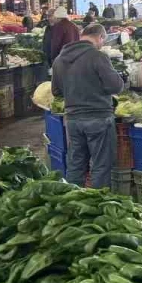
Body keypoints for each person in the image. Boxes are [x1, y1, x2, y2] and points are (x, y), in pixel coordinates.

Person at [51, 23, 124, 189]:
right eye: (102, 41)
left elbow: (56, 91)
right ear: (100, 37)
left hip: (73, 120)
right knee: (101, 165)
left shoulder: (59, 60)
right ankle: (98, 205)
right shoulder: (98, 56)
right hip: (98, 118)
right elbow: (116, 86)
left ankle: (72, 202)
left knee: (76, 165)